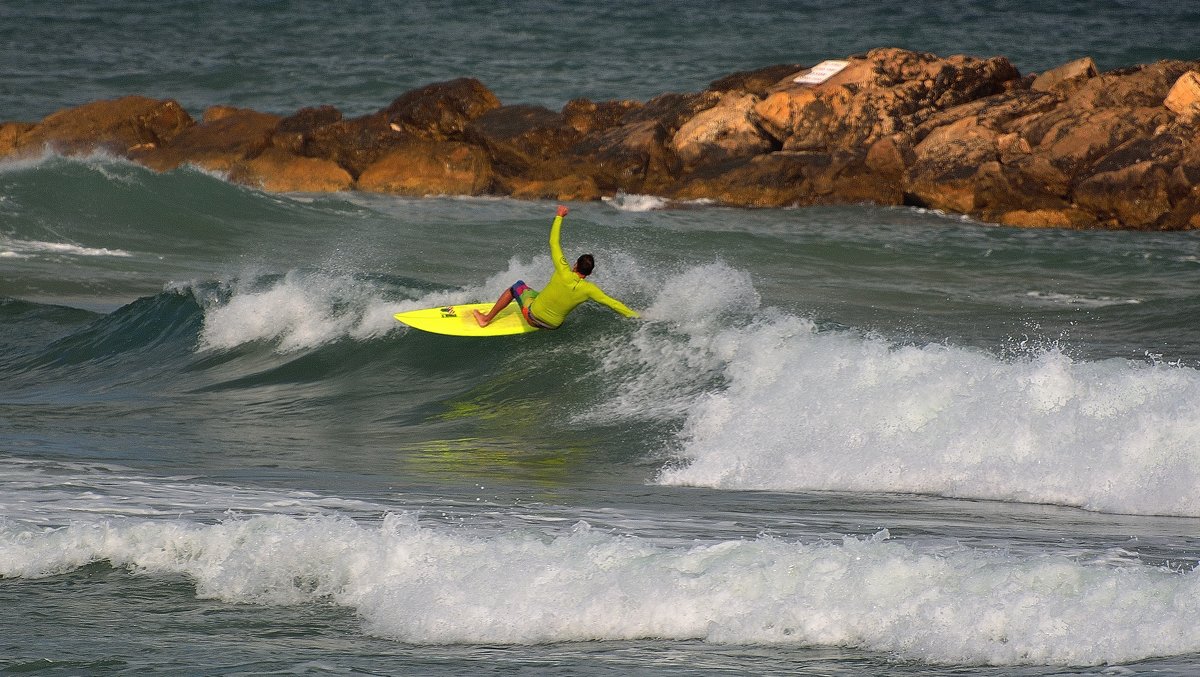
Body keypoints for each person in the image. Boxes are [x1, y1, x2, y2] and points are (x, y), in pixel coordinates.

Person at [474, 205, 640, 329]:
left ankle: (486, 319)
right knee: (533, 292)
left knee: (517, 286)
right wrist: (636, 316)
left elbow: (553, 242)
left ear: (575, 264)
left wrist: (559, 216)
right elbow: (613, 303)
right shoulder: (590, 290)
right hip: (553, 326)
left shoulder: (563, 270)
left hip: (533, 318)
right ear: (589, 273)